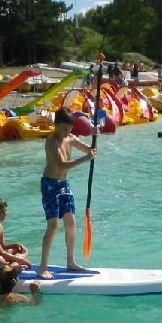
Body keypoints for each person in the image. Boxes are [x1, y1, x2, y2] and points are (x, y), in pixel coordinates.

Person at [38, 107, 97, 280]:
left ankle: (70, 262)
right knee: (53, 226)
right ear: (56, 125)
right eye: (63, 128)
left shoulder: (70, 138)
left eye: (69, 129)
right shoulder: (51, 141)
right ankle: (42, 268)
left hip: (64, 184)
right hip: (50, 185)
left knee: (71, 221)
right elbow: (62, 164)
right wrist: (86, 159)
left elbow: (89, 150)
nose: (66, 132)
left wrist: (95, 135)